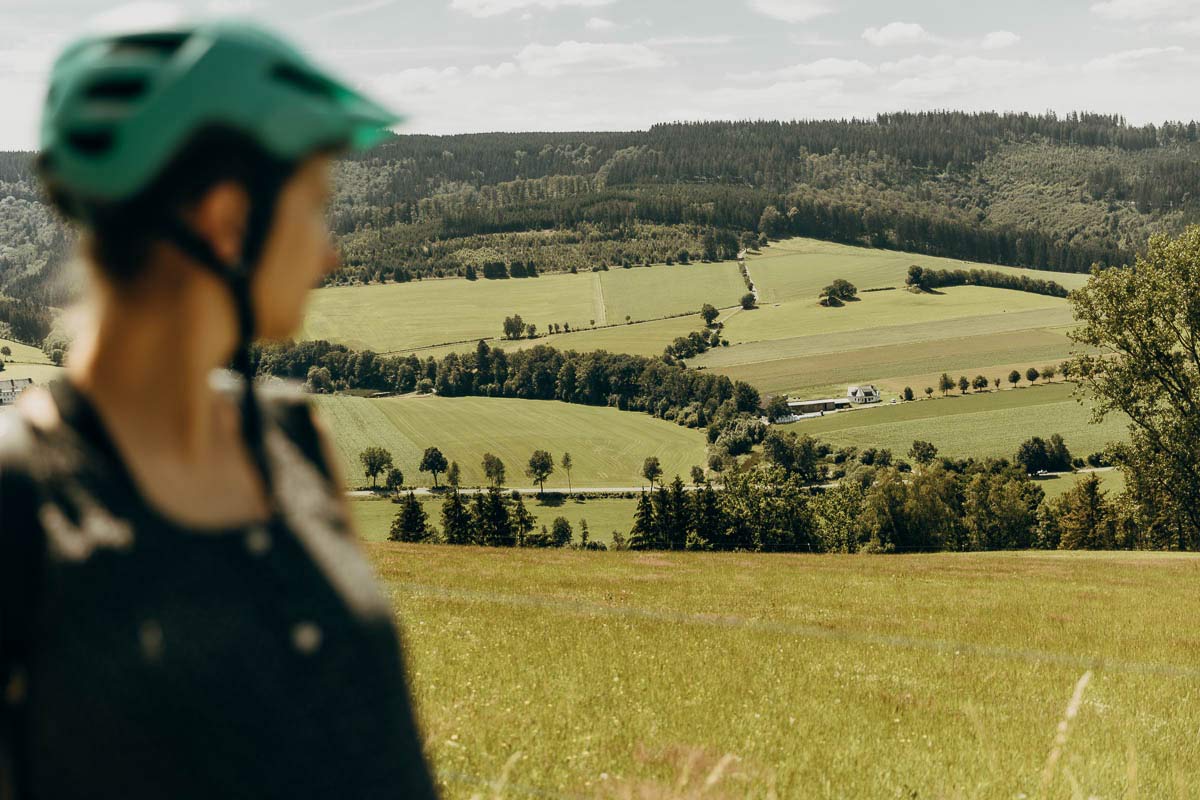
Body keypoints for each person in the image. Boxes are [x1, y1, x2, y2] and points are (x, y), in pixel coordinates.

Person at [0, 20, 438, 799]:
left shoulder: (295, 441)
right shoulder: (21, 493)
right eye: (316, 205)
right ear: (228, 220)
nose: (331, 251)